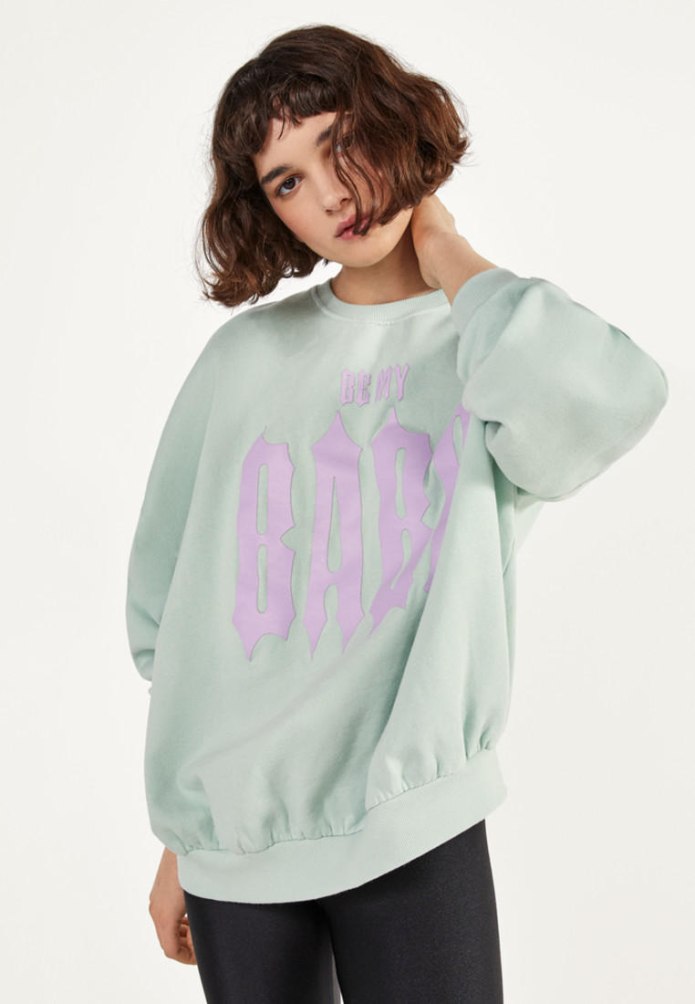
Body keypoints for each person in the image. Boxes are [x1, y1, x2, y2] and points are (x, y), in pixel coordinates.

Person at [125, 23, 669, 1003]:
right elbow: (182, 623)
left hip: (412, 820)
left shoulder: (490, 345)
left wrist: (445, 247)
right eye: (286, 181)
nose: (329, 195)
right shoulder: (242, 363)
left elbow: (607, 398)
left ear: (387, 121)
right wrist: (183, 840)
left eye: (338, 143)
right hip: (234, 852)